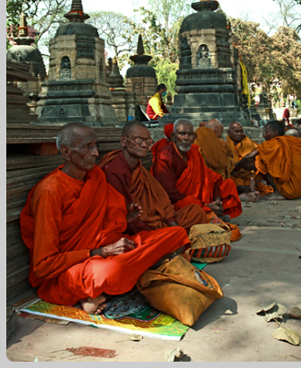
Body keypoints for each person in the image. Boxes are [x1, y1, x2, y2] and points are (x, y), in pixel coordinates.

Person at [19, 123, 190, 315]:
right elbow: (44, 266)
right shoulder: (50, 191)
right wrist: (99, 251)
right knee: (111, 272)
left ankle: (96, 292)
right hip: (76, 266)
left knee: (177, 234)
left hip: (106, 251)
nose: (95, 153)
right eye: (87, 147)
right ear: (66, 152)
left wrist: (126, 218)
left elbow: (106, 225)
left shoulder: (96, 176)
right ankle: (99, 288)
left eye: (95, 146)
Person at [100, 121, 209, 234]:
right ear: (123, 140)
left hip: (157, 219)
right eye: (138, 140)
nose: (144, 145)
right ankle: (173, 238)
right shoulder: (114, 170)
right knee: (169, 236)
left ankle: (174, 237)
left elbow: (162, 198)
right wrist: (165, 231)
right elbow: (123, 217)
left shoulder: (139, 169)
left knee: (196, 212)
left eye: (148, 141)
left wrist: (172, 222)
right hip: (138, 226)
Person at [151, 119, 256, 223]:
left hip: (198, 199)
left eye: (190, 134)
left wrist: (217, 199)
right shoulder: (165, 157)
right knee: (193, 207)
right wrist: (204, 205)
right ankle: (208, 213)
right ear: (173, 136)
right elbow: (169, 194)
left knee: (228, 185)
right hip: (178, 202)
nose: (186, 138)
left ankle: (212, 212)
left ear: (194, 137)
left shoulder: (194, 151)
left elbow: (210, 177)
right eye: (182, 134)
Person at [236, 120, 301, 200]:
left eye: (266, 132)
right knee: (267, 159)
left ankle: (277, 193)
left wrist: (235, 167)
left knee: (262, 162)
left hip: (290, 191)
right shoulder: (295, 141)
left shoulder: (272, 143)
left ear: (275, 133)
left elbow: (248, 157)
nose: (264, 135)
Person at [227, 121, 273, 196]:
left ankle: (247, 190)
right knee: (233, 183)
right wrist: (241, 164)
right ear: (229, 132)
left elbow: (260, 163)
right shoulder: (225, 146)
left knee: (247, 183)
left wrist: (241, 165)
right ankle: (246, 191)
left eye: (241, 131)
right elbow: (225, 165)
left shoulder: (250, 144)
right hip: (232, 175)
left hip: (248, 175)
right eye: (236, 131)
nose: (239, 134)